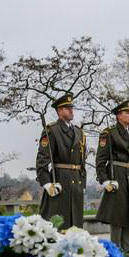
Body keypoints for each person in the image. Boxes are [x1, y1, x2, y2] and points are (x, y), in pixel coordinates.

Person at [95, 100, 129, 257]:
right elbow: (100, 159)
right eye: (126, 112)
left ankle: (127, 252)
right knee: (117, 216)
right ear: (118, 115)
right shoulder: (110, 133)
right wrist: (105, 180)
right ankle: (117, 252)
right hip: (117, 174)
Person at [35, 94, 87, 230]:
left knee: (76, 225)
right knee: (59, 223)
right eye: (66, 108)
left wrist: (83, 181)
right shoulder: (52, 130)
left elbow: (82, 161)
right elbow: (42, 159)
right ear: (59, 111)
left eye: (71, 107)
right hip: (59, 180)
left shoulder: (79, 132)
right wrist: (46, 182)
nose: (71, 110)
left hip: (76, 182)